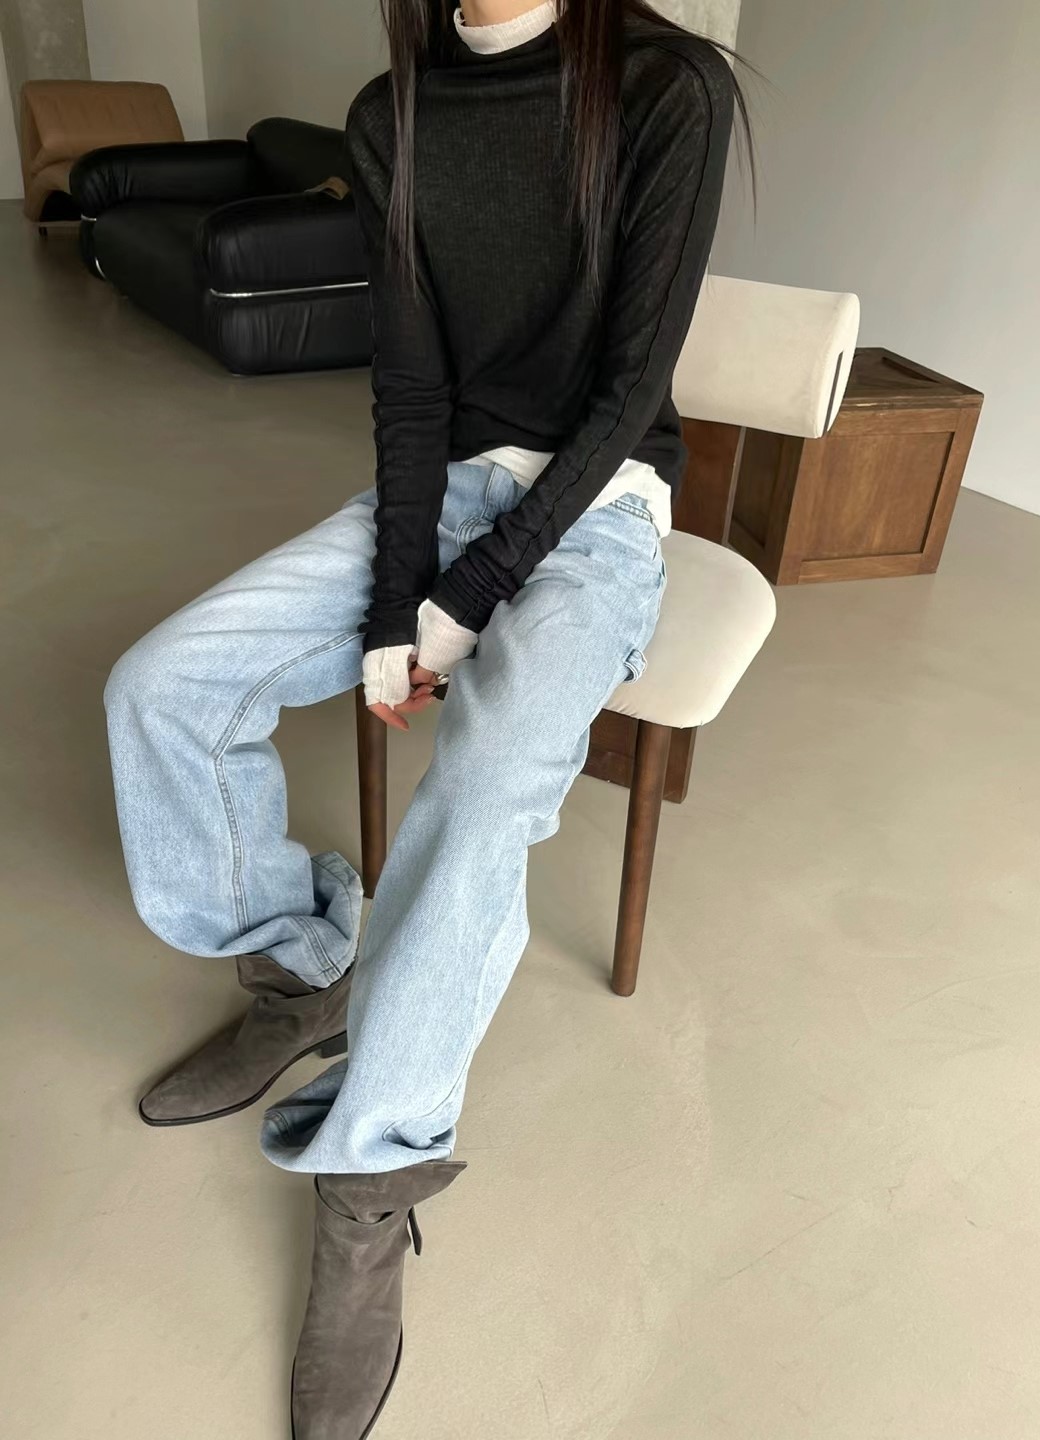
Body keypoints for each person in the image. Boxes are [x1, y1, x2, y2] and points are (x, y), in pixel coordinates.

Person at [104, 1, 748, 1433]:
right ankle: (303, 966)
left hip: (597, 517)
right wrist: (401, 592)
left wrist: (469, 597)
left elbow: (629, 392)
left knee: (488, 785)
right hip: (443, 492)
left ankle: (370, 1188)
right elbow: (410, 390)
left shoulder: (669, 88)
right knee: (161, 686)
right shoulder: (392, 113)